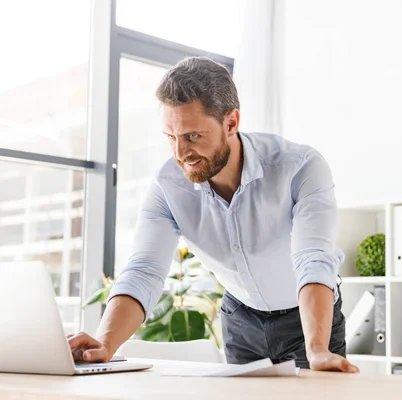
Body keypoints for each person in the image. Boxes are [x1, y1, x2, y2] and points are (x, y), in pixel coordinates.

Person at [68, 57, 358, 373]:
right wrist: (105, 343)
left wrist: (316, 348)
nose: (180, 154)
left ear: (231, 122)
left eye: (193, 136)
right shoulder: (167, 186)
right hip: (241, 319)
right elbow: (144, 270)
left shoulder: (300, 167)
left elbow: (313, 258)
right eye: (171, 137)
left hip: (310, 320)